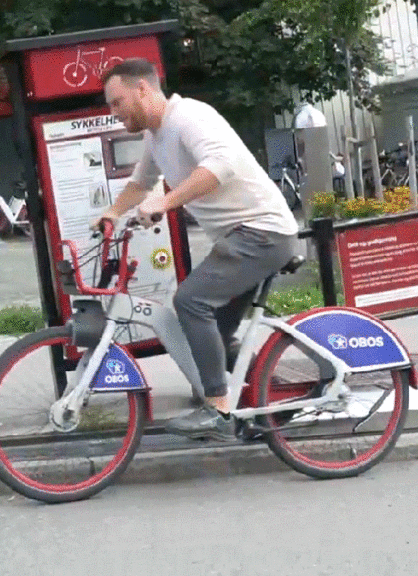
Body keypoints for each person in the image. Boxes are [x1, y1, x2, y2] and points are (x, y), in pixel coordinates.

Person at [97, 57, 300, 442]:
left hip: (262, 233)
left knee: (190, 301)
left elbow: (220, 165)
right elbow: (141, 184)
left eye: (116, 102)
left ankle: (218, 410)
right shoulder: (155, 136)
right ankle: (274, 401)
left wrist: (166, 202)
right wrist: (112, 212)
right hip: (243, 238)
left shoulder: (187, 116)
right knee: (216, 334)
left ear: (143, 89)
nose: (114, 113)